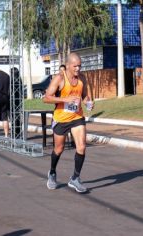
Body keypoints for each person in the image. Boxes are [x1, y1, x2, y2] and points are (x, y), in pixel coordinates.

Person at [43, 53, 94, 193]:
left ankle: (75, 178)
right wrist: (65, 100)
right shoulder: (59, 78)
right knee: (59, 149)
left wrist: (88, 103)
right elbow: (46, 98)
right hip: (61, 119)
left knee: (82, 147)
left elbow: (84, 96)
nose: (78, 68)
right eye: (75, 66)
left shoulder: (82, 78)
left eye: (80, 66)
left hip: (77, 117)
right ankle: (52, 172)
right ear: (68, 65)